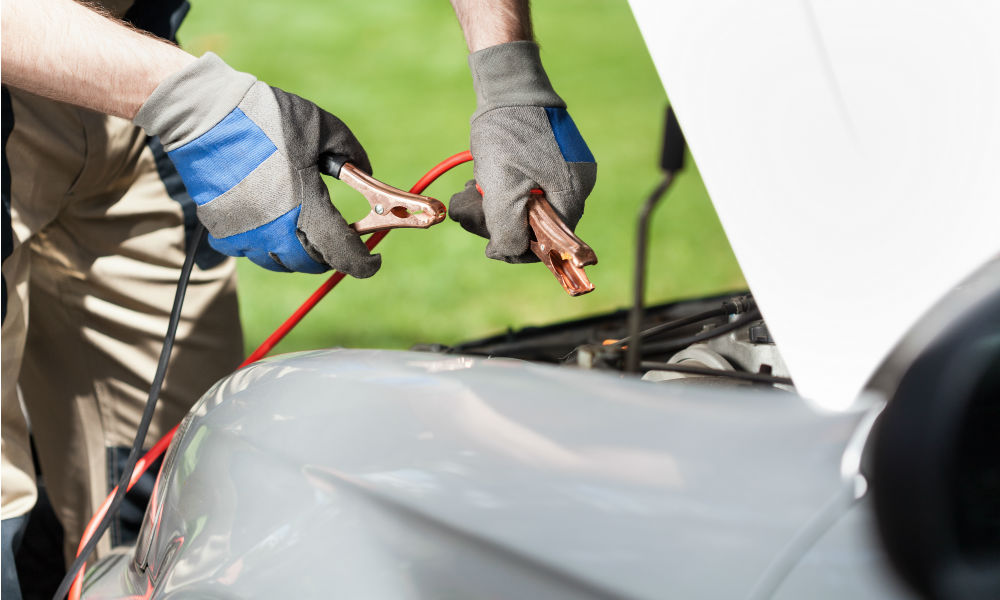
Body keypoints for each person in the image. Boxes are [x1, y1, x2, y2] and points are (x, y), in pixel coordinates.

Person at [0, 0, 596, 595]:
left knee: (172, 495)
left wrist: (509, 76)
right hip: (119, 81)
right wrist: (197, 106)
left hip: (127, 70)